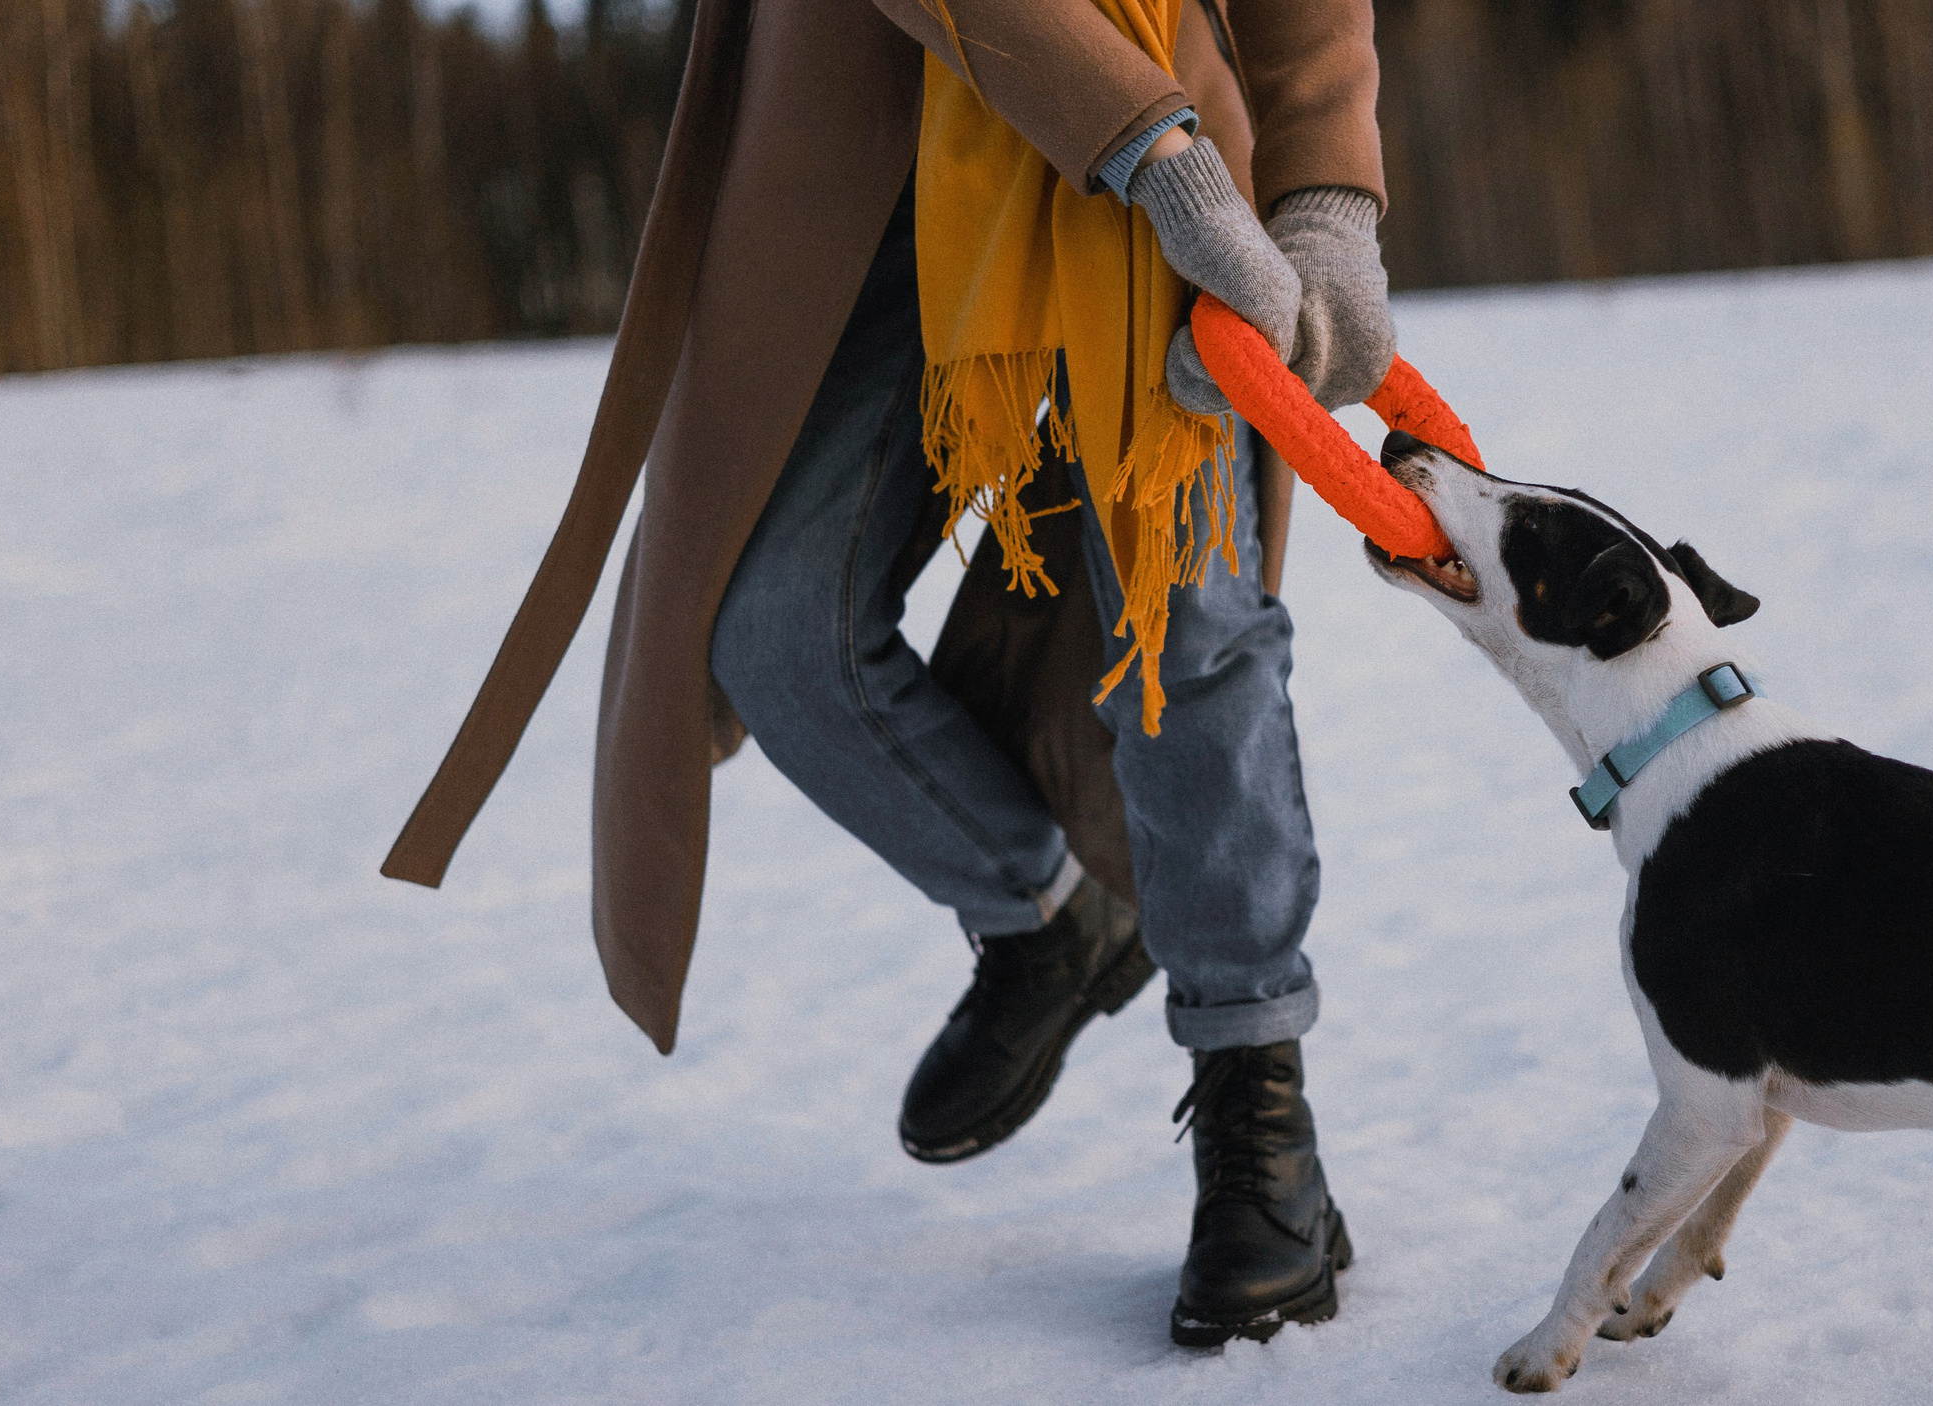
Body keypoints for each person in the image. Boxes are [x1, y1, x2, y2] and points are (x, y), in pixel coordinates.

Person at [382, 0, 1391, 1346]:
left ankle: (1256, 1107)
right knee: (773, 623)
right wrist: (1151, 147)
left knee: (1183, 619)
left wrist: (1329, 193)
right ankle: (1049, 913)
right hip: (886, 149)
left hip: (1168, 141)